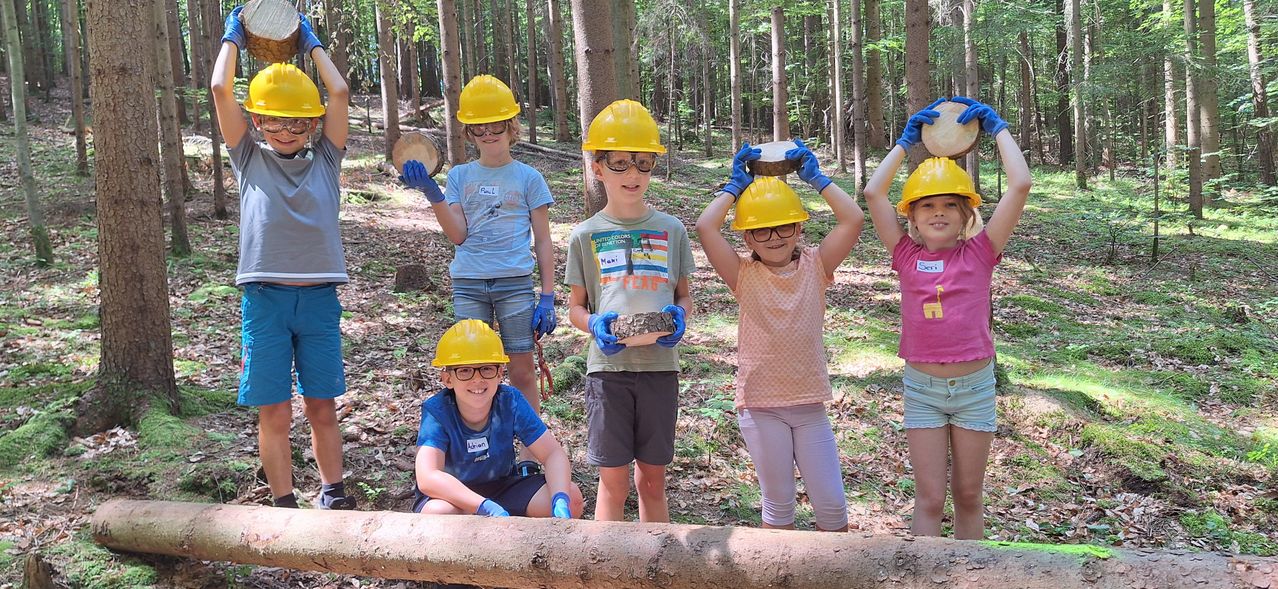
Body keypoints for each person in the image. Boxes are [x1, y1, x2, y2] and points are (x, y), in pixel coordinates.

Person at [861, 96, 1031, 539]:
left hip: (974, 388)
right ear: (912, 217)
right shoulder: (904, 254)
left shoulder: (982, 251)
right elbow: (873, 193)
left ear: (966, 214)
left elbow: (1020, 185)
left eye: (950, 205)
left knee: (969, 496)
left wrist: (997, 129)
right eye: (927, 205)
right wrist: (905, 143)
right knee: (930, 499)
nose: (938, 211)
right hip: (923, 389)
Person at [211, 6, 354, 509]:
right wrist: (233, 38)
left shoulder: (328, 160)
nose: (285, 129)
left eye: (297, 120)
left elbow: (338, 93)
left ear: (312, 122)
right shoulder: (248, 157)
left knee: (321, 406)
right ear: (257, 120)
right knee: (273, 411)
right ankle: (283, 503)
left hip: (318, 300)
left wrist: (311, 43)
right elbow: (219, 89)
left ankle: (333, 492)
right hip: (264, 301)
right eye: (273, 119)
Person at [695, 141, 864, 532]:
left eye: (784, 225)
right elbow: (706, 227)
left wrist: (817, 179)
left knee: (833, 509)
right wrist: (733, 188)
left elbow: (853, 220)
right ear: (747, 239)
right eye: (759, 230)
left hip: (809, 409)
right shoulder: (742, 275)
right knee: (779, 506)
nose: (774, 237)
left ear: (799, 227)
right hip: (760, 407)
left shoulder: (817, 265)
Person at [400, 76, 556, 442]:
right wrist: (432, 193)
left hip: (515, 284)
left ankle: (533, 453)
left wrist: (548, 296)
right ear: (469, 132)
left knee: (521, 372)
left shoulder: (529, 178)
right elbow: (458, 234)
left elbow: (545, 241)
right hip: (468, 284)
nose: (488, 134)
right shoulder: (459, 176)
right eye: (479, 128)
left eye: (496, 126)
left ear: (511, 126)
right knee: (470, 372)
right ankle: (476, 443)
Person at [564, 100, 694, 523]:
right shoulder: (585, 235)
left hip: (660, 368)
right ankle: (608, 571)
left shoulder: (672, 229)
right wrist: (594, 324)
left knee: (652, 481)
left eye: (643, 163)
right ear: (597, 167)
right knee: (613, 482)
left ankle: (654, 566)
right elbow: (576, 308)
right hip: (608, 372)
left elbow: (684, 296)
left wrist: (680, 318)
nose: (633, 174)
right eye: (619, 164)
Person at [413, 319, 584, 519]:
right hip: (455, 496)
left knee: (572, 496)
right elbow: (428, 477)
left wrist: (560, 499)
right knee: (439, 513)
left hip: (503, 488)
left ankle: (530, 547)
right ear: (448, 379)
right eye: (465, 370)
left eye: (486, 368)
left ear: (500, 373)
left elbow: (553, 454)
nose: (477, 379)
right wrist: (483, 506)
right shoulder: (437, 411)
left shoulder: (510, 401)